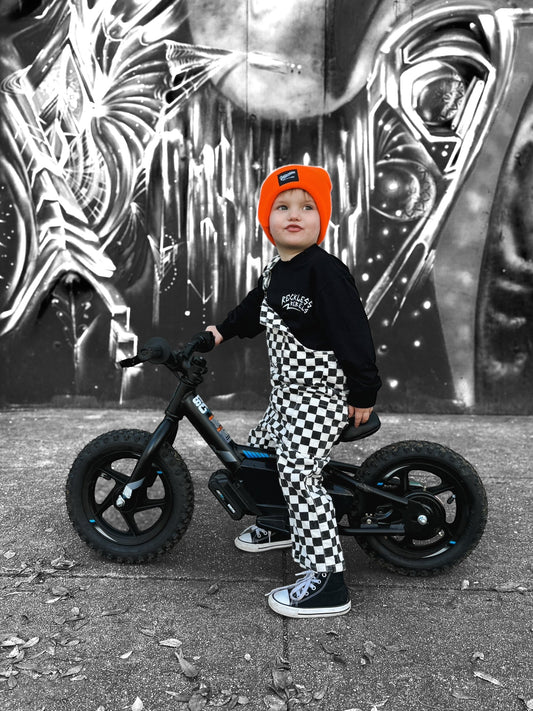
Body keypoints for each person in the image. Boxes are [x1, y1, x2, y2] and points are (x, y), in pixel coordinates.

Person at [206, 164, 381, 618]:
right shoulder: (274, 273)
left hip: (323, 396)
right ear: (267, 221)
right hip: (288, 395)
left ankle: (328, 582)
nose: (295, 215)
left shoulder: (325, 272)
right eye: (282, 207)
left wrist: (363, 391)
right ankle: (281, 522)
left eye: (307, 207)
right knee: (260, 455)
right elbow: (251, 311)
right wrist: (217, 334)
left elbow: (354, 334)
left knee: (298, 472)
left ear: (322, 220)